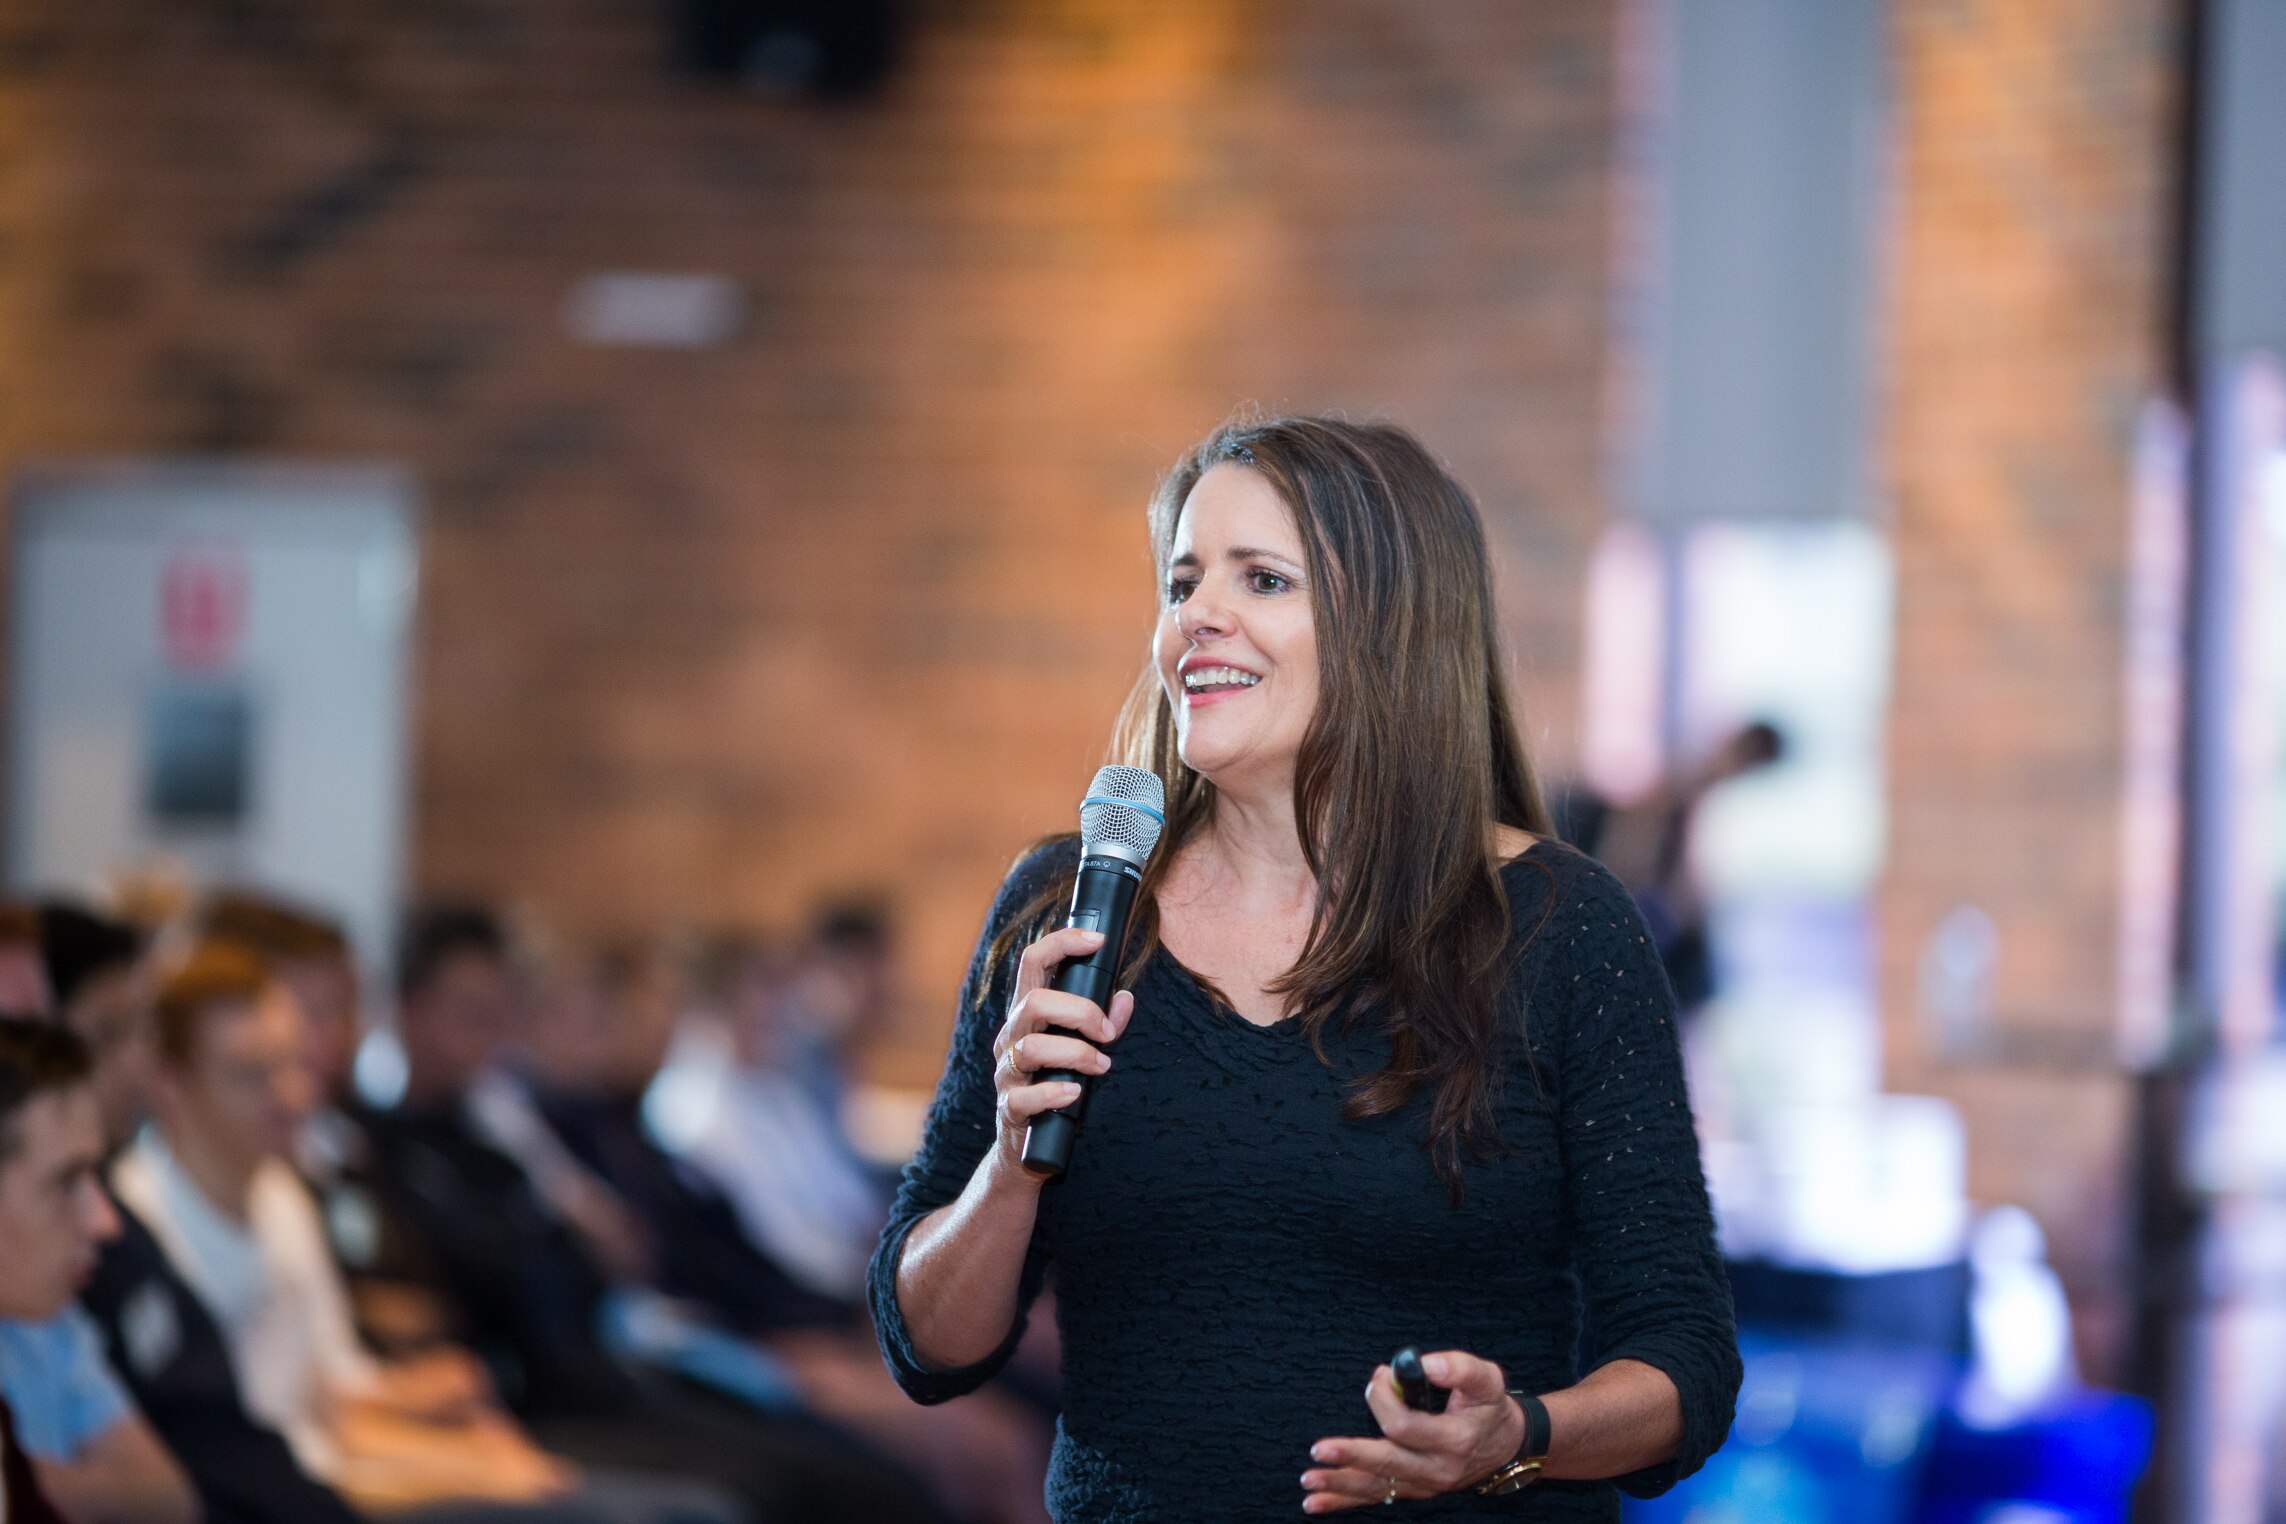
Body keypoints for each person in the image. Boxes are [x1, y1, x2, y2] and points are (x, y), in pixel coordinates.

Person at [873, 416, 1742, 1520]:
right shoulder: (1070, 909)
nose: (1199, 617)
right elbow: (929, 1349)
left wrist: (1516, 1434)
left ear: (1393, 627)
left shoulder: (1558, 926)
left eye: (1263, 579)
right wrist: (1010, 1163)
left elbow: (1685, 1362)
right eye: (1183, 581)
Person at [360, 906, 945, 1524]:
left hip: (619, 1366)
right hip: (554, 1390)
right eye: (472, 1013)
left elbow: (666, 1256)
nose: (489, 1034)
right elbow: (494, 1296)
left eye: (496, 1013)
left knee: (867, 1472)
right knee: (788, 1490)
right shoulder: (406, 1142)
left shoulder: (529, 1132)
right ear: (407, 1011)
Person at [0, 1018, 161, 1524]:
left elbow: (170, 1499)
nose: (105, 1222)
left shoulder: (48, 1322)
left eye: (97, 1174)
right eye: (67, 1181)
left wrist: (27, 1477)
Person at [1550, 720, 1784, 1014]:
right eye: (1748, 755)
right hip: (1599, 855)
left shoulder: (1700, 785)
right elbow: (1634, 840)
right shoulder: (1692, 776)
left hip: (1616, 873)